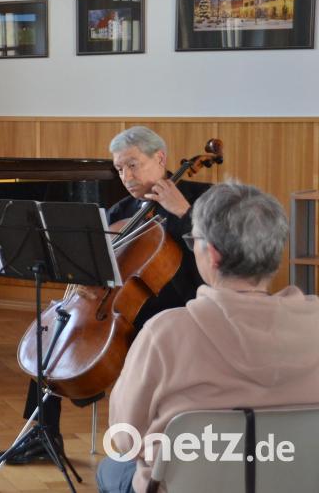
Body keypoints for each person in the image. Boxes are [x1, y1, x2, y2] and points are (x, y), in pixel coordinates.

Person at [97, 182, 319, 493]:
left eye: (193, 239)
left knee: (112, 467)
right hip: (297, 483)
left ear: (211, 254)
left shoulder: (165, 333)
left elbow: (125, 438)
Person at [9, 126, 212, 464]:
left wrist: (183, 213)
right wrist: (84, 276)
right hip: (124, 306)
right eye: (119, 168)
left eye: (132, 164)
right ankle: (43, 433)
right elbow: (90, 256)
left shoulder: (201, 198)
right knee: (53, 337)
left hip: (182, 307)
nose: (125, 175)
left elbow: (223, 250)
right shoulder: (122, 210)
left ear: (159, 159)